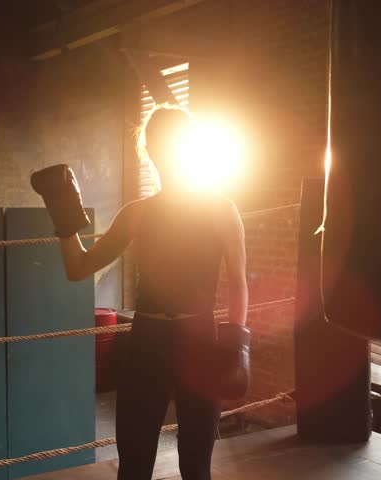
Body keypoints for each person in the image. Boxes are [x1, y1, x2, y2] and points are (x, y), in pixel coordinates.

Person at [30, 104, 250, 480]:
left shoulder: (221, 209)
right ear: (151, 152)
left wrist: (235, 344)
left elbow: (238, 281)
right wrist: (65, 217)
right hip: (148, 341)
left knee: (196, 465)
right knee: (134, 463)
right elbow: (79, 268)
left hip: (200, 339)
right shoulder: (138, 213)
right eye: (161, 145)